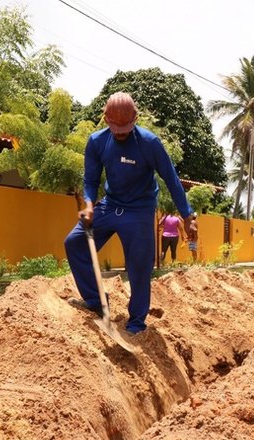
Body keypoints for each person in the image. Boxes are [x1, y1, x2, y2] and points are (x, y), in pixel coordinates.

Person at [64, 92, 193, 336]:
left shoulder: (149, 143)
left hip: (140, 210)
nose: (121, 132)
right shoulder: (97, 142)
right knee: (74, 242)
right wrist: (90, 204)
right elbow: (90, 180)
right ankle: (95, 301)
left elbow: (171, 179)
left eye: (126, 127)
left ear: (135, 119)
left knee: (139, 266)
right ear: (106, 120)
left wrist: (187, 216)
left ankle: (136, 322)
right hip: (110, 205)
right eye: (116, 127)